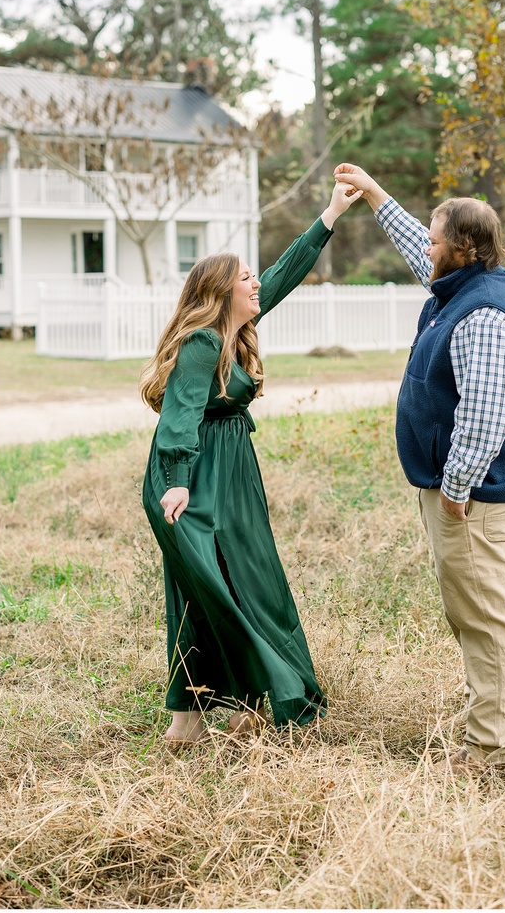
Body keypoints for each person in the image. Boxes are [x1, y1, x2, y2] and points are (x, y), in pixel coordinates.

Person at [139, 181, 363, 745]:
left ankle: (216, 710)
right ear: (221, 291)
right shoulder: (200, 344)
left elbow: (284, 272)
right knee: (217, 587)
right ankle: (224, 707)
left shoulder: (237, 333)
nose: (257, 282)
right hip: (192, 480)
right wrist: (177, 483)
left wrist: (331, 214)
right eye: (245, 277)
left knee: (238, 582)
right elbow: (180, 418)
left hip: (231, 472)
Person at [333, 163, 505, 772]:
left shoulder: (486, 315)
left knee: (484, 614)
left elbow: (487, 412)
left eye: (434, 237)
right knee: (472, 608)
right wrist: (374, 196)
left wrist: (455, 485)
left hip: (470, 495)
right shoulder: (471, 284)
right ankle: (487, 722)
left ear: (463, 248)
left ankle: (491, 751)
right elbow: (422, 260)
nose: (426, 246)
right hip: (459, 489)